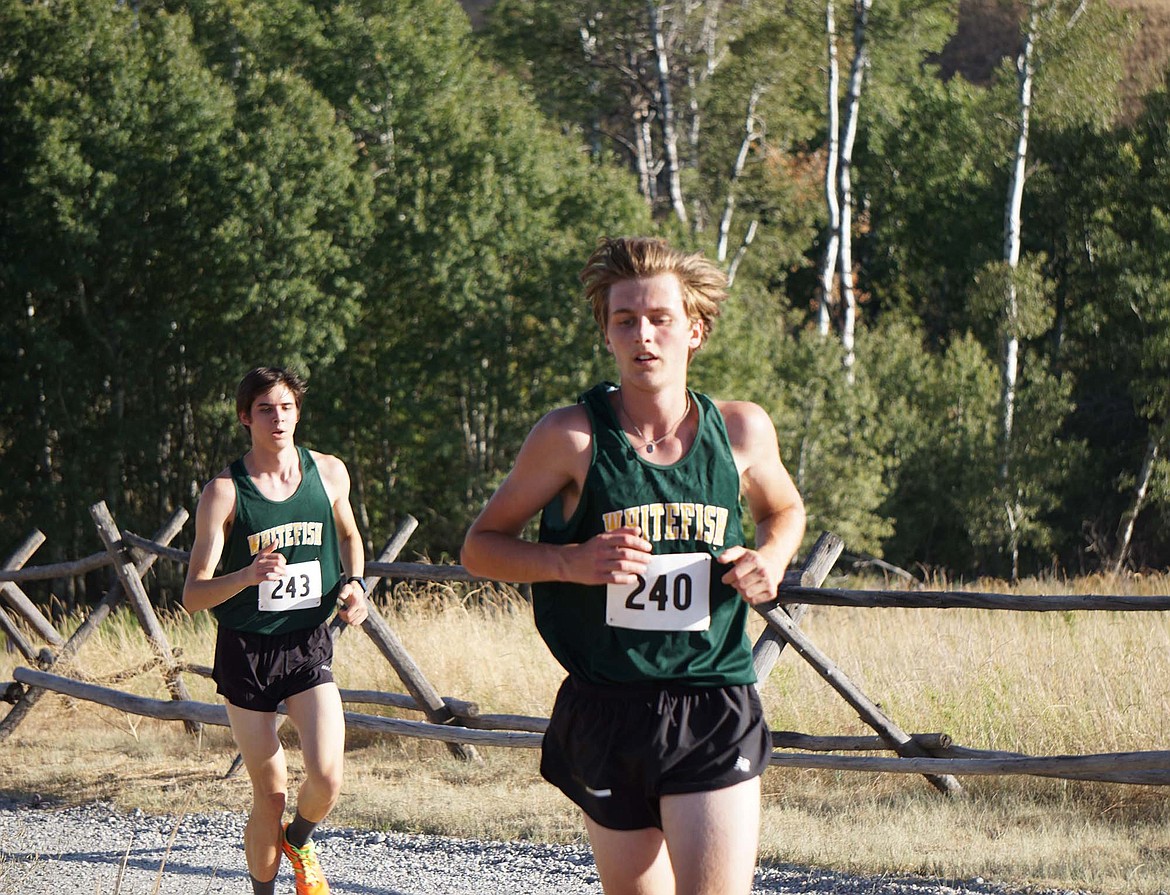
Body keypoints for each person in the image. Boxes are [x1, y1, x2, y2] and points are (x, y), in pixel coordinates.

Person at [461, 236, 807, 895]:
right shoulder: (571, 437)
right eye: (626, 320)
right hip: (609, 703)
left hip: (712, 697)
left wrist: (769, 556)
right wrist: (570, 560)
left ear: (695, 330)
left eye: (660, 318)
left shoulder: (741, 430)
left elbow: (785, 510)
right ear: (607, 333)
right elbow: (481, 546)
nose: (643, 335)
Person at [183, 366, 369, 895]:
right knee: (270, 794)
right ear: (246, 418)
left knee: (328, 776)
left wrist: (356, 584)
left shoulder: (329, 472)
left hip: (307, 644)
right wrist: (246, 575)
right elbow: (193, 595)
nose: (278, 418)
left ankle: (299, 840)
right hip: (247, 651)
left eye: (286, 407)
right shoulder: (224, 492)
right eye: (265, 408)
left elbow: (351, 536)